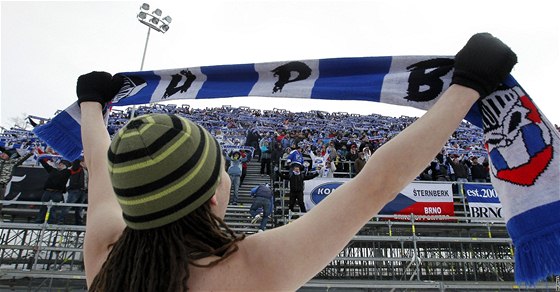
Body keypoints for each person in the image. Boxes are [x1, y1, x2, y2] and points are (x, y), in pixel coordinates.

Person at [78, 32, 516, 291]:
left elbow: (99, 166)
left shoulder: (105, 254)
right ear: (214, 194)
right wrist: (467, 86)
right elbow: (377, 182)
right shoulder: (251, 268)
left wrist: (92, 107)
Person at [34, 157, 73, 224]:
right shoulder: (53, 170)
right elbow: (46, 165)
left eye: (61, 164)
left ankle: (51, 221)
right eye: (59, 164)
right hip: (48, 191)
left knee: (54, 208)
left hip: (57, 192)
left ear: (65, 166)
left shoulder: (67, 172)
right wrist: (41, 159)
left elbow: (74, 168)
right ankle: (40, 220)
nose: (59, 165)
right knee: (43, 206)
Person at [58, 159, 88, 225]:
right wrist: (78, 159)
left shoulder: (86, 170)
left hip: (83, 191)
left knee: (79, 208)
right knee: (68, 205)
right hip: (75, 190)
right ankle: (61, 220)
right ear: (82, 162)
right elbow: (75, 163)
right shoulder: (77, 168)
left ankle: (78, 222)